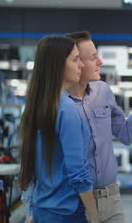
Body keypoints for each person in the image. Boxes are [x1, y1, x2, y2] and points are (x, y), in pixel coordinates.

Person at [22, 31, 132, 223]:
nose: (99, 61)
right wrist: (30, 210)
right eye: (89, 58)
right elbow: (37, 162)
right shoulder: (56, 105)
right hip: (76, 202)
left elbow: (126, 134)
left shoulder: (103, 92)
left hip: (109, 200)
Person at [18, 35, 99, 222]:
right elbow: (78, 171)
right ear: (58, 65)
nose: (81, 65)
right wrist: (94, 214)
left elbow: (33, 166)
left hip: (43, 209)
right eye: (75, 59)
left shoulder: (39, 106)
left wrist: (30, 210)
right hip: (67, 212)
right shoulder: (67, 109)